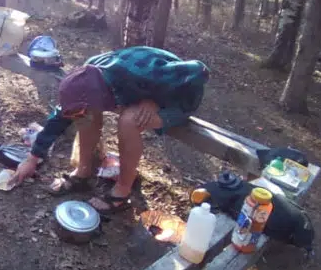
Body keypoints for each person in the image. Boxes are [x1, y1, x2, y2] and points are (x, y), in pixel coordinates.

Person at [14, 46, 209, 213]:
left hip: (179, 94)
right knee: (85, 115)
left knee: (129, 121)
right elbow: (61, 117)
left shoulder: (135, 73)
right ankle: (83, 172)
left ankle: (123, 190)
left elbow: (199, 71)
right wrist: (33, 158)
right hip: (140, 89)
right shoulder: (89, 74)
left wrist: (156, 101)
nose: (79, 113)